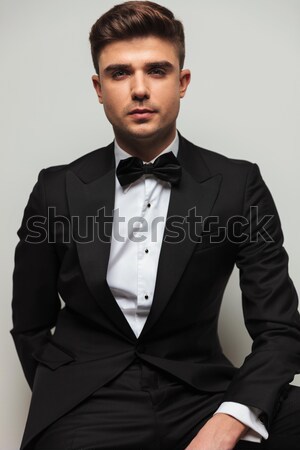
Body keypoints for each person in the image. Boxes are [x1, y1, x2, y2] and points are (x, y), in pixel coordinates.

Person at [11, 1, 300, 449]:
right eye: (120, 73)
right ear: (99, 87)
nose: (139, 89)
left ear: (182, 82)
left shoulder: (239, 184)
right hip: (90, 399)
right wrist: (62, 387)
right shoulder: (56, 189)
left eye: (157, 71)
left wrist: (226, 426)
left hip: (198, 392)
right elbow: (30, 325)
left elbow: (280, 330)